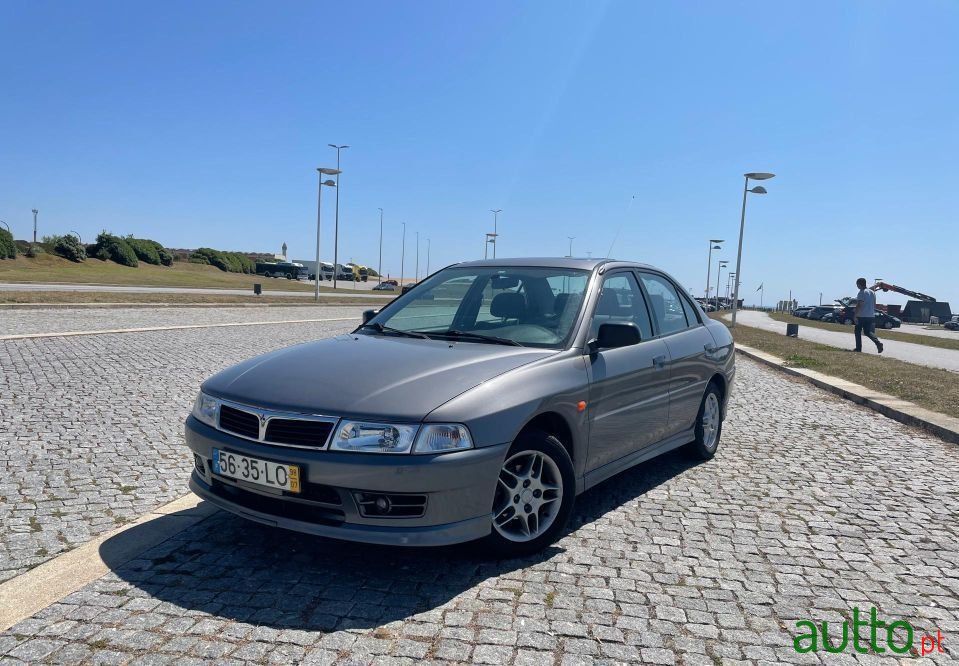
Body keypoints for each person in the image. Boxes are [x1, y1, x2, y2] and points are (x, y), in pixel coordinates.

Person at [852, 277, 883, 354]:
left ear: (859, 284)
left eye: (857, 284)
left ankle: (858, 348)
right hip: (870, 315)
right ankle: (878, 342)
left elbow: (860, 304)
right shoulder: (872, 292)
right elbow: (874, 304)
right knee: (868, 332)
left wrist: (855, 315)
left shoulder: (861, 292)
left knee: (857, 331)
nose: (857, 286)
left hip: (862, 315)